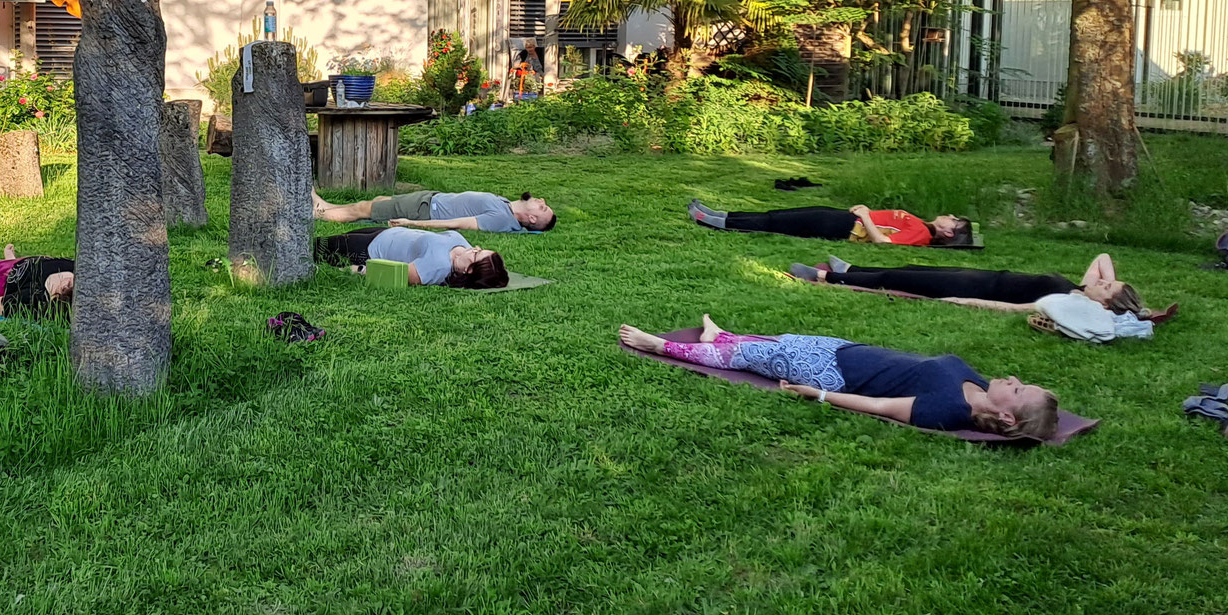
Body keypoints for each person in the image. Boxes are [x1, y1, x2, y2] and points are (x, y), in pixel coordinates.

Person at [619, 316, 1060, 439]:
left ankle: (661, 345)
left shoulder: (948, 410)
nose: (1014, 377)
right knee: (776, 342)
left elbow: (881, 408)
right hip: (845, 350)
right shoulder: (978, 384)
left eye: (1019, 389)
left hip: (830, 371)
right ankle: (720, 334)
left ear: (1004, 418)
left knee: (745, 357)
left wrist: (821, 395)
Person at [788, 251, 1176, 320]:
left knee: (898, 280)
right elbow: (1103, 257)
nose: (1102, 281)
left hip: (977, 287)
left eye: (1106, 288)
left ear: (1103, 304)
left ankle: (827, 276)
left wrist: (963, 300)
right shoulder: (1082, 287)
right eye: (1106, 283)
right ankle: (853, 266)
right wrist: (1122, 297)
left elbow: (1013, 308)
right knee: (911, 267)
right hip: (983, 273)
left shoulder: (1068, 303)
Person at [689, 198, 974, 250]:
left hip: (843, 227)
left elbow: (885, 243)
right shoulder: (921, 225)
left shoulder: (922, 235)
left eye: (953, 219)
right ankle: (721, 215)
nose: (948, 214)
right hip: (844, 218)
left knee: (777, 223)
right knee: (777, 214)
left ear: (949, 232)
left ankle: (715, 223)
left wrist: (865, 216)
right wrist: (867, 212)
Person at [314, 225, 511, 288]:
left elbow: (396, 274)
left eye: (476, 254)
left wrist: (356, 270)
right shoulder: (463, 249)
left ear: (468, 270)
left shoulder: (437, 267)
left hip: (369, 249)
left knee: (313, 247)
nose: (474, 248)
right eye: (479, 248)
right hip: (385, 232)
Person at [312, 187, 555, 232]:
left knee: (365, 208)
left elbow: (458, 224)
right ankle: (325, 206)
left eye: (542, 207)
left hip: (424, 210)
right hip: (429, 199)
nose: (540, 199)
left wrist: (412, 223)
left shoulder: (501, 220)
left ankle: (317, 213)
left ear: (532, 217)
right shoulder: (506, 207)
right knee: (378, 200)